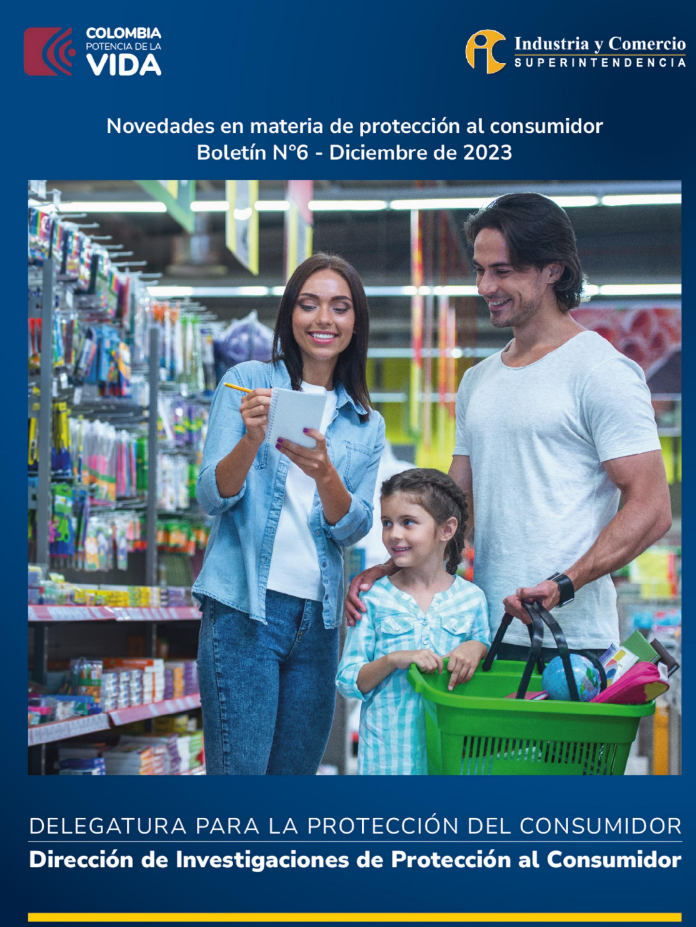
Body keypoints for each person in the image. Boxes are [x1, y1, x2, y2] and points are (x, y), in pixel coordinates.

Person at [346, 193, 671, 661]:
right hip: (484, 637)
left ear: (553, 269)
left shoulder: (601, 371)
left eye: (502, 271)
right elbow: (452, 511)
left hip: (570, 644)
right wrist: (394, 568)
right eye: (480, 270)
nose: (484, 286)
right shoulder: (478, 381)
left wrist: (565, 583)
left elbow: (653, 507)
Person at [194, 253, 385, 775]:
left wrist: (326, 473)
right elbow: (212, 495)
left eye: (340, 308)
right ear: (290, 314)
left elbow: (354, 526)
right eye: (309, 304)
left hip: (319, 624)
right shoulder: (247, 381)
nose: (324, 319)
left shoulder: (366, 422)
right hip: (243, 613)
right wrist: (252, 439)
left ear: (355, 322)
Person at [336, 469, 489, 774]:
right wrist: (394, 660)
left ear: (446, 530)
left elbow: (484, 661)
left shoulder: (472, 600)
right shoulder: (374, 599)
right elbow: (348, 680)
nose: (394, 534)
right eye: (387, 523)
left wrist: (477, 647)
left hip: (452, 760)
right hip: (387, 761)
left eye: (408, 522)